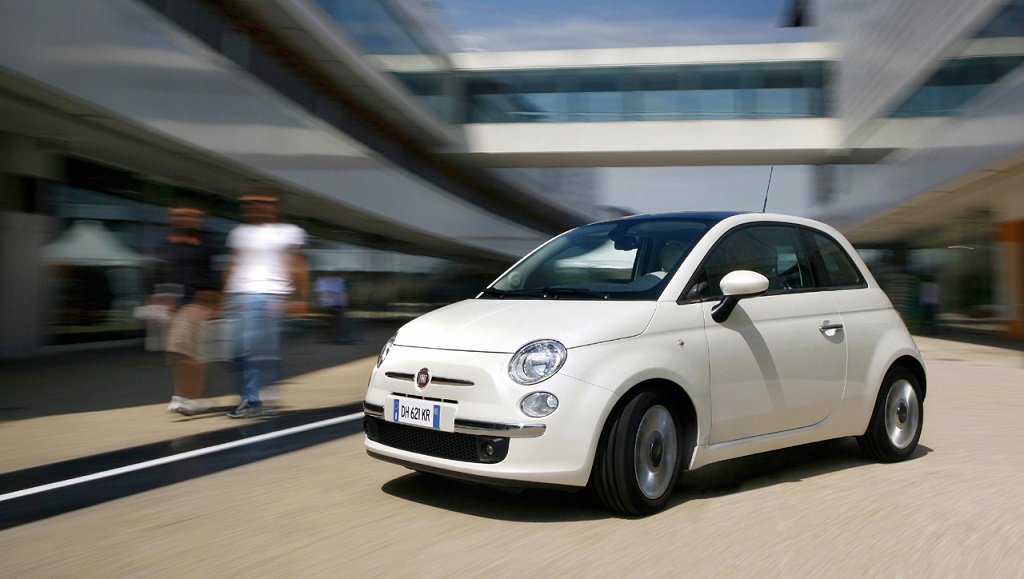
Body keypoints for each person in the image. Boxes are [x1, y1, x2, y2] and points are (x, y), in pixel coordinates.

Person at [222, 189, 308, 418]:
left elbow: (298, 264)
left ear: (275, 207)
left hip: (268, 295)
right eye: (251, 202)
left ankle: (253, 402)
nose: (255, 206)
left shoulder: (288, 232)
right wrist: (225, 297)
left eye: (262, 202)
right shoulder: (238, 233)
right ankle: (261, 397)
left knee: (253, 351)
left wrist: (300, 298)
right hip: (238, 296)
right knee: (235, 353)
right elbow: (234, 264)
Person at [151, 204, 219, 417]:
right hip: (169, 307)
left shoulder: (204, 246)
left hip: (194, 305)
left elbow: (212, 279)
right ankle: (186, 397)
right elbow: (155, 273)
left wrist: (210, 304)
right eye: (180, 215)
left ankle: (188, 398)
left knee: (187, 350)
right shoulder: (164, 244)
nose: (186, 219)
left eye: (192, 215)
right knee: (178, 353)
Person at [314, 273, 349, 343]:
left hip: (326, 306)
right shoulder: (337, 282)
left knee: (337, 316)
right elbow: (342, 298)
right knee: (339, 316)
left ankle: (334, 336)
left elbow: (319, 296)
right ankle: (337, 337)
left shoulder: (322, 281)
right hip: (331, 306)